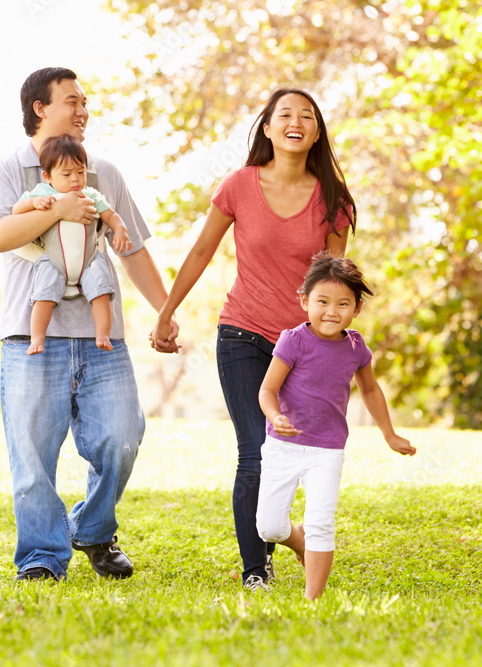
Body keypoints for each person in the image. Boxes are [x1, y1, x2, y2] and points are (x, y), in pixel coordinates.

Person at [0, 67, 179, 583]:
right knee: (33, 458)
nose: (83, 110)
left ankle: (91, 529)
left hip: (100, 337)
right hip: (30, 335)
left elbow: (131, 249)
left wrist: (165, 310)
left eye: (86, 101)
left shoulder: (101, 171)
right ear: (40, 107)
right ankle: (42, 557)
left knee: (122, 437)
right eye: (72, 101)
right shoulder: (4, 169)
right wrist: (60, 207)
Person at [150, 89, 353, 590]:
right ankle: (255, 569)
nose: (296, 122)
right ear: (267, 128)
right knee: (255, 449)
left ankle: (292, 537)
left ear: (317, 132)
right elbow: (200, 252)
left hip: (301, 347)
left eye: (307, 116)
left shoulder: (334, 201)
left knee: (288, 450)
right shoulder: (239, 185)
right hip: (242, 332)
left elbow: (333, 281)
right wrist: (166, 312)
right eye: (285, 114)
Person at [255, 252, 416, 600]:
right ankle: (297, 540)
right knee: (268, 525)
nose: (332, 311)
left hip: (327, 449)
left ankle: (313, 599)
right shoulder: (293, 340)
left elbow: (370, 389)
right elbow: (267, 390)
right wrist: (275, 416)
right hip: (283, 446)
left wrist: (390, 434)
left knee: (321, 521)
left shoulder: (356, 347)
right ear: (304, 301)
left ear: (356, 308)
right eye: (323, 301)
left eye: (343, 304)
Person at [12, 134, 133, 355]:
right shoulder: (43, 193)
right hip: (54, 260)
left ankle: (103, 334)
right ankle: (37, 338)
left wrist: (121, 230)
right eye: (66, 174)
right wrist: (33, 203)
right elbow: (16, 211)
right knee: (43, 296)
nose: (75, 179)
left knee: (102, 292)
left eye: (80, 172)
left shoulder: (91, 195)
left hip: (88, 259)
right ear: (47, 176)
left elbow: (111, 215)